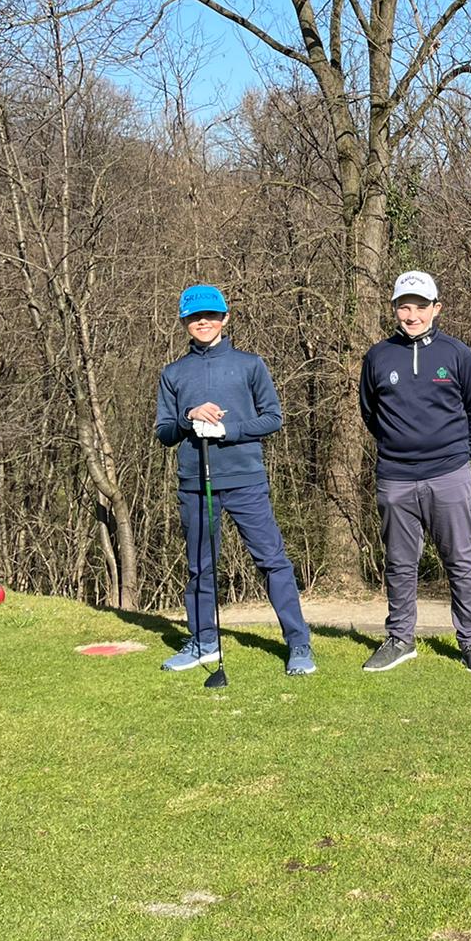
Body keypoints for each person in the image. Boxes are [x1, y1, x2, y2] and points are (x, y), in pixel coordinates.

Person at [154, 284, 315, 676]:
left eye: (210, 315)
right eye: (195, 317)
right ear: (184, 322)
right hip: (196, 483)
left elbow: (273, 418)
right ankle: (204, 642)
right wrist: (188, 417)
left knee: (272, 561)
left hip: (246, 480)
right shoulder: (173, 373)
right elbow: (164, 432)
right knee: (200, 567)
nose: (203, 322)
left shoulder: (249, 365)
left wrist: (229, 430)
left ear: (225, 318)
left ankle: (299, 643)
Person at [358, 270, 471, 674]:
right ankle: (401, 639)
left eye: (420, 306)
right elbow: (371, 413)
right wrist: (400, 448)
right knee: (400, 563)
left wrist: (458, 456)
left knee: (461, 561)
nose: (412, 315)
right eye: (404, 306)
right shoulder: (378, 357)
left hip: (449, 474)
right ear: (394, 309)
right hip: (395, 477)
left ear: (437, 308)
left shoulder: (457, 354)